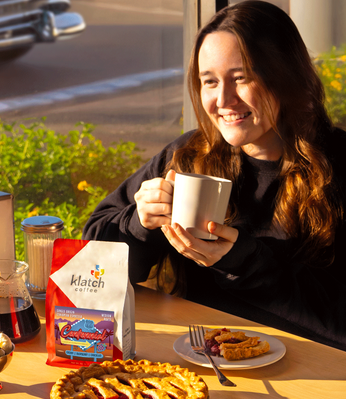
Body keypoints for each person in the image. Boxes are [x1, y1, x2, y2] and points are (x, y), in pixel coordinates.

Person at [83, 1, 346, 351]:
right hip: (200, 367)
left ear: (285, 76)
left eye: (242, 78)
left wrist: (247, 262)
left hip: (320, 375)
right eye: (209, 82)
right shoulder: (190, 157)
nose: (223, 100)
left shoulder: (338, 166)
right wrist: (139, 224)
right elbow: (91, 270)